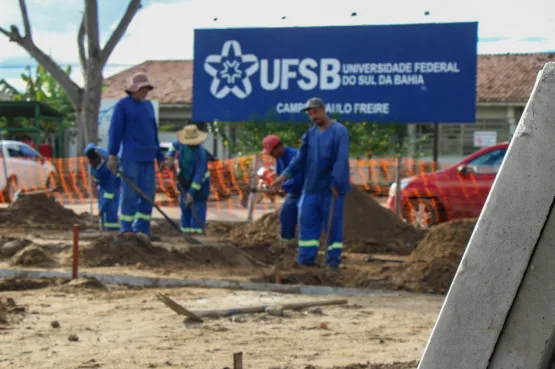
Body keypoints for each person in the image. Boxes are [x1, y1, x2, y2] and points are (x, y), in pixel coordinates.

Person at [271, 97, 351, 271]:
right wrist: (283, 177)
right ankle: (306, 259)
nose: (313, 116)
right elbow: (300, 159)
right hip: (311, 187)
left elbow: (341, 159)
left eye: (315, 111)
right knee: (306, 220)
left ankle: (332, 262)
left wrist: (336, 181)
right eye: (310, 113)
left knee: (332, 225)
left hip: (331, 188)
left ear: (323, 109)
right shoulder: (310, 135)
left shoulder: (339, 131)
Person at [107, 73, 166, 239]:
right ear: (133, 89)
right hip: (131, 158)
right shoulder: (123, 106)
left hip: (148, 159)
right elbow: (115, 131)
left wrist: (159, 156)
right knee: (130, 195)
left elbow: (153, 133)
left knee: (148, 195)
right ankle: (126, 229)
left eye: (147, 88)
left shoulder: (148, 106)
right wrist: (112, 154)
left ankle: (142, 230)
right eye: (142, 88)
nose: (145, 91)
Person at [165, 125, 211, 234]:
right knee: (185, 206)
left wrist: (191, 193)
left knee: (197, 208)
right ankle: (185, 232)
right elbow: (173, 145)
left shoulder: (201, 154)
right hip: (185, 180)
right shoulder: (180, 144)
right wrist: (170, 156)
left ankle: (197, 233)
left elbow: (198, 176)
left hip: (200, 186)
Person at [261, 134, 304, 247]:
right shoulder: (279, 160)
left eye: (271, 151)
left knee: (304, 216)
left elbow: (298, 178)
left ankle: (306, 245)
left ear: (279, 147)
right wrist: (277, 189)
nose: (270, 155)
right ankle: (287, 242)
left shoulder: (295, 156)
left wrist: (283, 188)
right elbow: (281, 178)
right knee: (285, 213)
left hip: (306, 191)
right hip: (295, 193)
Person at [84, 143, 121, 231]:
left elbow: (110, 192)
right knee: (103, 207)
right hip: (102, 185)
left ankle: (112, 230)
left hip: (113, 186)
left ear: (98, 159)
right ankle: (104, 228)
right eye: (90, 162)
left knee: (110, 209)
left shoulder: (108, 168)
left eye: (93, 162)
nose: (91, 164)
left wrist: (102, 207)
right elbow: (89, 147)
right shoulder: (92, 155)